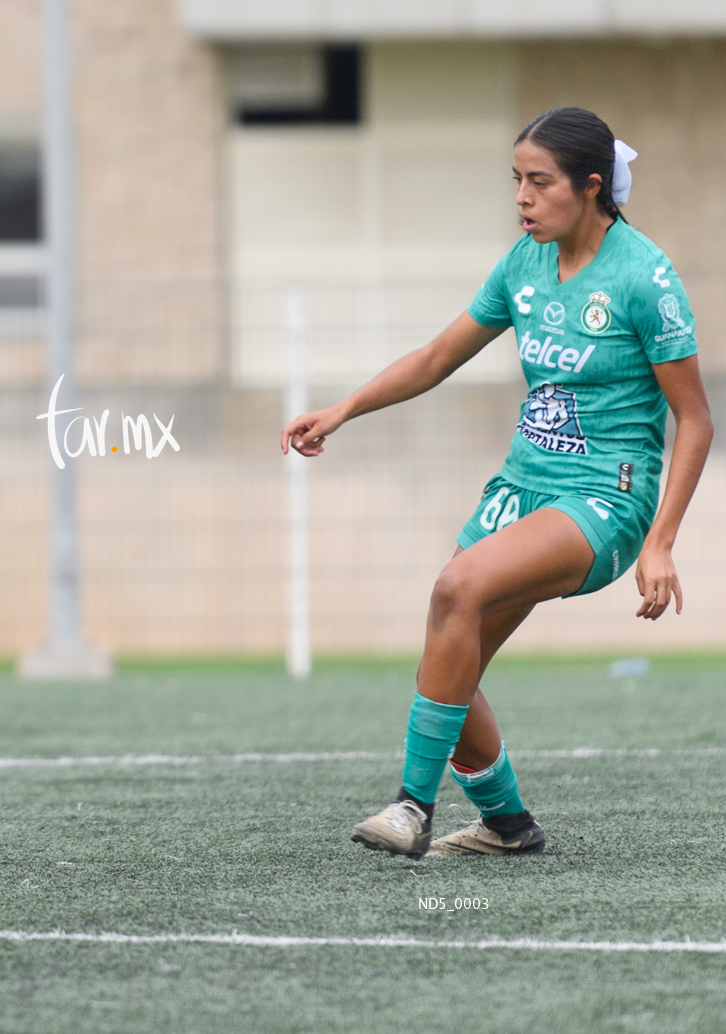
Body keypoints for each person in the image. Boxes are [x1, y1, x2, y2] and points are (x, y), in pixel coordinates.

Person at [281, 108, 710, 858]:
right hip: (522, 485)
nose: (522, 197)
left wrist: (661, 541)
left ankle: (410, 807)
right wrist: (343, 408)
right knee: (452, 666)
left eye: (539, 182)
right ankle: (508, 825)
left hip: (605, 499)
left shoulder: (645, 275)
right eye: (516, 180)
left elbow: (696, 419)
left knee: (455, 589)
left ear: (592, 186)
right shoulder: (523, 263)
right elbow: (438, 355)